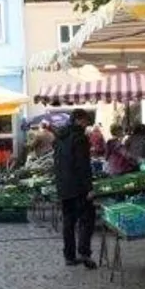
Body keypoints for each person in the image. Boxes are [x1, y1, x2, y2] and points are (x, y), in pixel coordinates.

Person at [54, 109, 97, 269]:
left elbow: (57, 163)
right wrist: (89, 188)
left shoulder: (60, 137)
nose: (87, 124)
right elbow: (82, 165)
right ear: (79, 120)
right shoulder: (80, 138)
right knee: (87, 219)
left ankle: (69, 256)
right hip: (78, 186)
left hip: (63, 186)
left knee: (68, 222)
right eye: (86, 120)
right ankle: (84, 253)